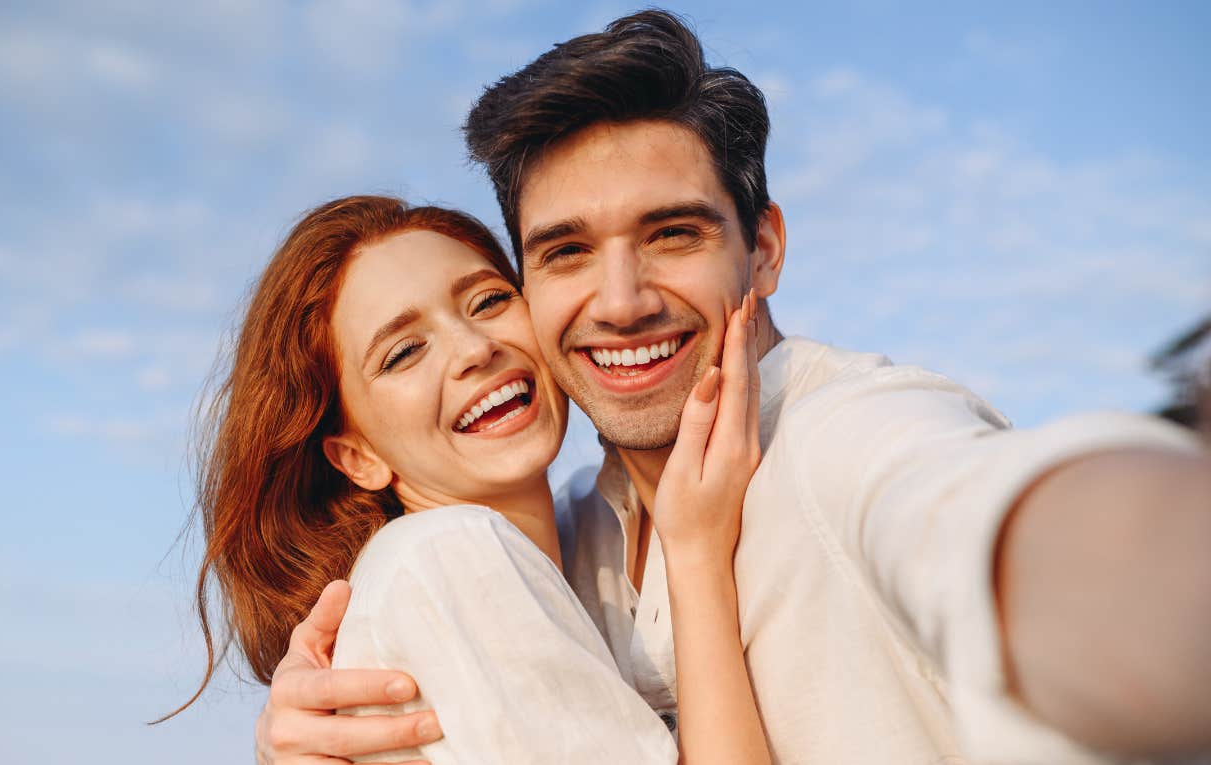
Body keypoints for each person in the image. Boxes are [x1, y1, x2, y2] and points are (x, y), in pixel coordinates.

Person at [257, 10, 1211, 765]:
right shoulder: (566, 534)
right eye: (567, 251)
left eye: (674, 233)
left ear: (763, 248)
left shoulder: (839, 431)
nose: (622, 301)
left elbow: (982, 517)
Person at [176, 195, 774, 763]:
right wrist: (696, 558)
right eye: (404, 352)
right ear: (356, 456)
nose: (473, 349)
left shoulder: (565, 542)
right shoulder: (451, 554)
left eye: (488, 301)